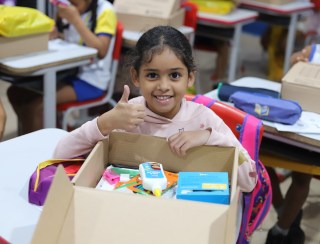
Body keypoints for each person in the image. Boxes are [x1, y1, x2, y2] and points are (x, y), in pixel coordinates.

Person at [53, 27, 257, 239]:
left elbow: (249, 179)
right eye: (152, 75)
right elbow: (61, 152)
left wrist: (209, 137)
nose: (163, 86)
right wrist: (104, 123)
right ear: (135, 76)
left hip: (187, 228)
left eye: (175, 75)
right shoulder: (127, 115)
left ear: (190, 78)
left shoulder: (204, 120)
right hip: (133, 225)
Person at [7, 0, 117, 135]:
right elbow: (65, 38)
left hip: (91, 80)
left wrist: (75, 20)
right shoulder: (66, 7)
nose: (70, 3)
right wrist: (53, 31)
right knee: (15, 92)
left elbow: (101, 50)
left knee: (36, 107)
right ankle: (30, 135)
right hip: (66, 72)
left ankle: (41, 149)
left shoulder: (105, 9)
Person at [265, 43, 320, 244]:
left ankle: (280, 230)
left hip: (311, 136)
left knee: (302, 177)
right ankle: (284, 213)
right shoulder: (315, 51)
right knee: (257, 160)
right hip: (287, 122)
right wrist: (297, 59)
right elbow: (296, 57)